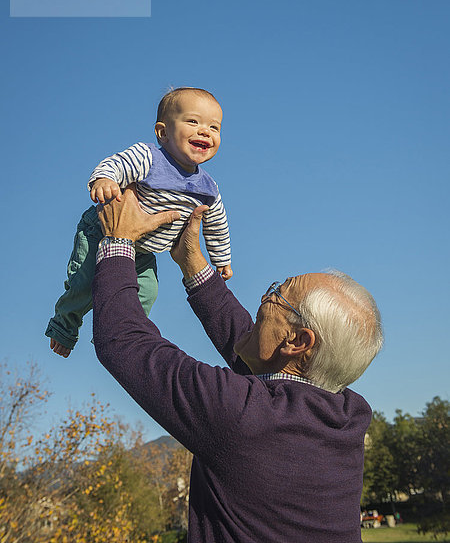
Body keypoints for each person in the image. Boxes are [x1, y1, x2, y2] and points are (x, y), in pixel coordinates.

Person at [92, 189, 383, 543]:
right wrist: (193, 263)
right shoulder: (349, 415)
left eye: (278, 294)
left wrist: (117, 241)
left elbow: (123, 341)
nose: (264, 297)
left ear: (297, 342)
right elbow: (256, 356)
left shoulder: (244, 416)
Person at [46, 87, 232, 358]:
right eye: (193, 121)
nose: (205, 131)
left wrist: (221, 258)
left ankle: (114, 335)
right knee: (82, 284)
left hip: (142, 253)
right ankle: (65, 325)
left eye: (214, 127)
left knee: (145, 294)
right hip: (102, 233)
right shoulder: (148, 158)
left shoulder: (207, 186)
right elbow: (116, 164)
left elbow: (216, 223)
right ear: (163, 132)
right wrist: (105, 180)